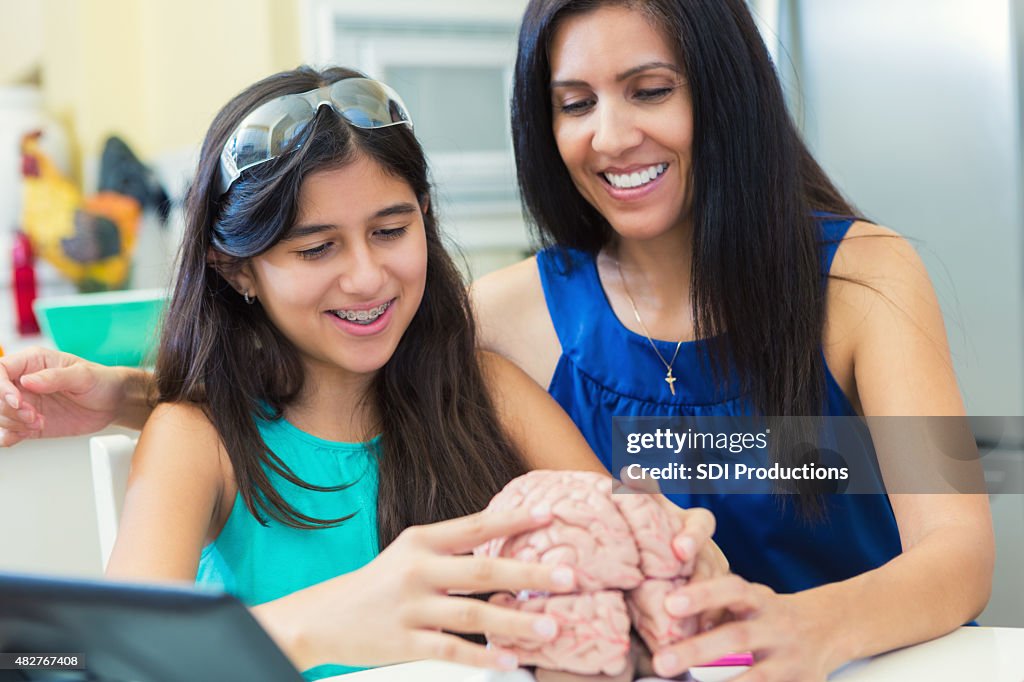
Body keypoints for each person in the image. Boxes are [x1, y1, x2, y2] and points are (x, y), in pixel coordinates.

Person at [468, 0, 993, 679]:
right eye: (575, 104)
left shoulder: (868, 275)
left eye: (650, 91)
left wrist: (813, 627)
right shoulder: (502, 317)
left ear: (726, 91)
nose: (610, 136)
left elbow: (960, 551)